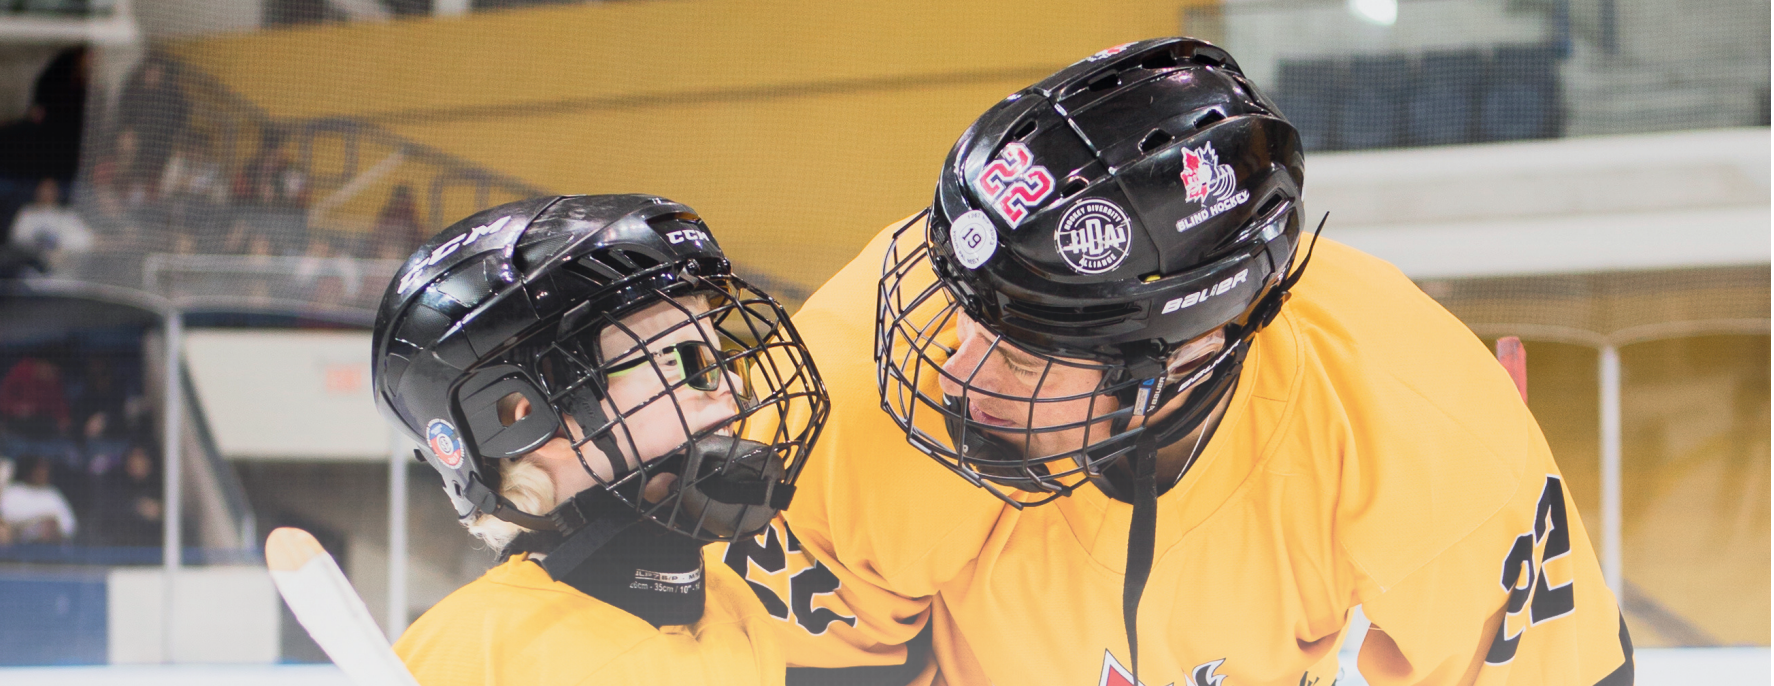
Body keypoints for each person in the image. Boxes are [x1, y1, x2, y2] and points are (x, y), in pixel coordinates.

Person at [721, 38, 1632, 686]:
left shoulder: (1420, 423)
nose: (955, 378)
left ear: (1187, 351)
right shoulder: (850, 382)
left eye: (1025, 355)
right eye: (964, 313)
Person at [372, 194, 830, 685]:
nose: (734, 386)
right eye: (685, 360)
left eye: (718, 357)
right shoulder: (474, 656)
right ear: (520, 415)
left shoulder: (733, 610)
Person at [1, 455, 76, 544]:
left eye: (45, 469)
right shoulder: (14, 491)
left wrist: (53, 528)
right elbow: (7, 519)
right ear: (30, 470)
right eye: (39, 469)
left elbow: (70, 526)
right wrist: (37, 523)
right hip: (19, 544)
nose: (43, 473)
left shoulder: (53, 494)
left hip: (50, 546)